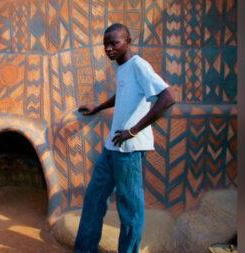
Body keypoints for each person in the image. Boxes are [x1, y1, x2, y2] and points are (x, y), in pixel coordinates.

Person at [74, 23, 175, 253]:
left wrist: (134, 130)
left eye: (114, 43)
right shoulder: (123, 67)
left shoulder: (139, 65)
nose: (109, 48)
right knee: (93, 199)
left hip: (129, 150)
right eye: (105, 44)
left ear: (128, 41)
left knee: (130, 211)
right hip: (112, 147)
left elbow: (167, 97)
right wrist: (98, 107)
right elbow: (123, 95)